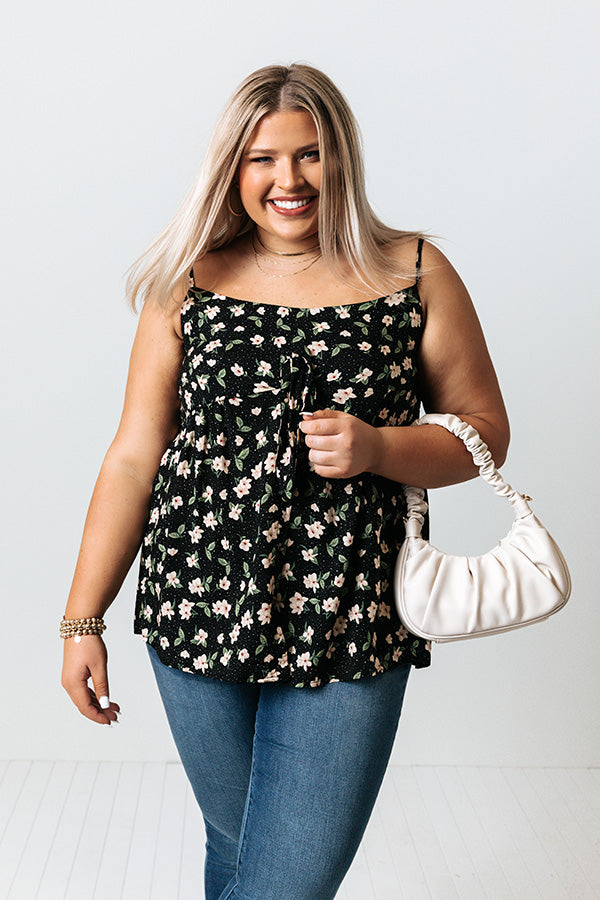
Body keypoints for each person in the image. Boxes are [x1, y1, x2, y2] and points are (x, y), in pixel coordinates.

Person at [61, 63, 510, 900]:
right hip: (196, 598)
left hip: (351, 611)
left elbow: (485, 432)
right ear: (232, 168)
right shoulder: (189, 282)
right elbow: (132, 455)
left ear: (342, 159)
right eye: (262, 158)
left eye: (309, 154)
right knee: (240, 853)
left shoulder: (414, 272)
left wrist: (380, 447)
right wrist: (82, 618)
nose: (288, 180)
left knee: (282, 883)